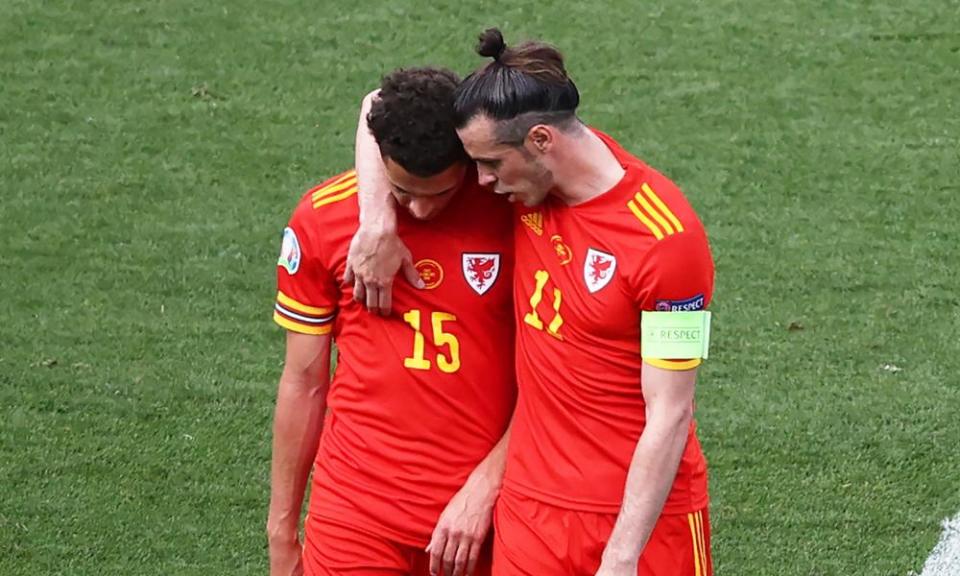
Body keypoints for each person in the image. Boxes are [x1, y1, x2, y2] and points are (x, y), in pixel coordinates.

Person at [347, 30, 716, 576]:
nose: (480, 181)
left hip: (641, 524)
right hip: (529, 516)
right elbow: (376, 107)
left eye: (491, 165)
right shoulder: (520, 187)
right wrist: (375, 221)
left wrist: (621, 555)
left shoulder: (667, 240)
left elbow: (671, 411)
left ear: (542, 141)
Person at [267, 66, 516, 576]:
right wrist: (281, 531)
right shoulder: (325, 219)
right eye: (402, 192)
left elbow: (553, 378)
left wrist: (487, 486)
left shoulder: (513, 211)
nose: (421, 211)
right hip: (353, 515)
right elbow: (303, 383)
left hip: (483, 519)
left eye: (441, 194)